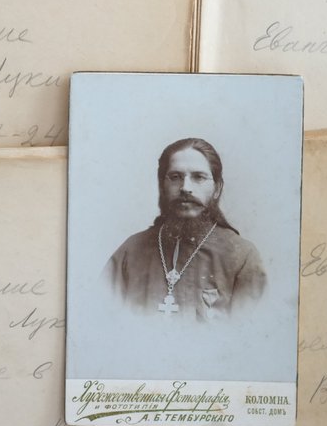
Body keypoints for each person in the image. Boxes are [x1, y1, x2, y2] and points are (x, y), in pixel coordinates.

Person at [104, 137, 266, 319]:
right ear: (162, 186)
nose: (185, 188)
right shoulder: (130, 251)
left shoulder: (242, 256)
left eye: (199, 177)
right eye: (175, 177)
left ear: (217, 189)